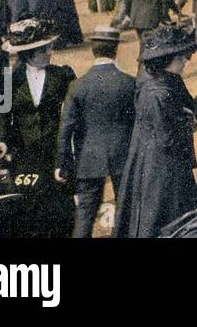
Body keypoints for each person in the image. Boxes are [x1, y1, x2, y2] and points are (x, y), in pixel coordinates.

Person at [113, 25, 197, 238]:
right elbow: (166, 138)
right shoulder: (157, 94)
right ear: (169, 60)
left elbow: (186, 105)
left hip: (156, 158)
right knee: (163, 214)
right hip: (160, 165)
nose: (185, 62)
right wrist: (187, 123)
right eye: (182, 58)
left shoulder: (167, 81)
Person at [0, 19, 77, 237]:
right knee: (30, 204)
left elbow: (72, 114)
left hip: (55, 150)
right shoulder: (10, 81)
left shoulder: (62, 76)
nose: (50, 52)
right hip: (25, 152)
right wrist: (1, 140)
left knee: (60, 204)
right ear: (30, 54)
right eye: (44, 49)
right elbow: (2, 116)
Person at [56, 25, 136, 238]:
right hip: (123, 155)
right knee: (125, 211)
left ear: (93, 49)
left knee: (85, 214)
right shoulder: (129, 83)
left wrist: (62, 162)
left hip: (88, 159)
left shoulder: (77, 86)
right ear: (115, 48)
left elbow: (66, 129)